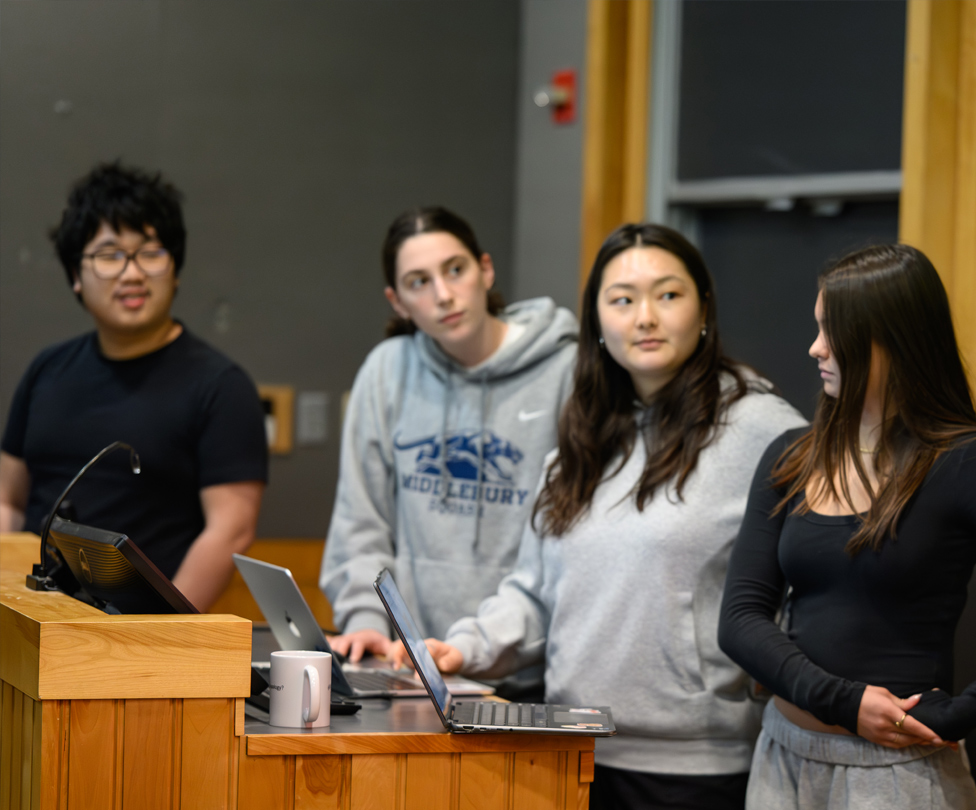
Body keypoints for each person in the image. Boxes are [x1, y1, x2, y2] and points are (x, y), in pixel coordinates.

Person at [406, 223, 806, 810]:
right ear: (597, 322)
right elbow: (537, 595)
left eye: (668, 295)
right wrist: (462, 650)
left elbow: (818, 574)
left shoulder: (763, 427)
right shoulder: (584, 437)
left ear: (703, 309)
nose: (645, 317)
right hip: (569, 752)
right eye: (621, 300)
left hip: (699, 770)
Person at [717, 244, 976, 810]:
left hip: (897, 773)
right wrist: (842, 701)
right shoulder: (791, 455)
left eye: (832, 331)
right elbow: (739, 618)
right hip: (782, 756)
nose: (814, 348)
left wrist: (960, 714)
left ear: (891, 341)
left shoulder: (971, 461)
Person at [320, 207, 578, 687]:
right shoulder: (386, 370)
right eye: (418, 282)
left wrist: (487, 643)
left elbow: (567, 540)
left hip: (527, 672)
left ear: (485, 270)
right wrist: (364, 620)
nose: (443, 294)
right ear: (398, 302)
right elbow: (361, 520)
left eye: (455, 270)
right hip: (409, 666)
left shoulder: (567, 369)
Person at [0, 161, 268, 611]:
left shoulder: (221, 386)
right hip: (35, 624)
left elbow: (230, 531)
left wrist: (160, 634)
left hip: (144, 640)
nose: (131, 273)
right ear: (75, 277)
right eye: (108, 255)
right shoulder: (46, 370)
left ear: (175, 269)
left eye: (150, 252)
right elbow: (8, 500)